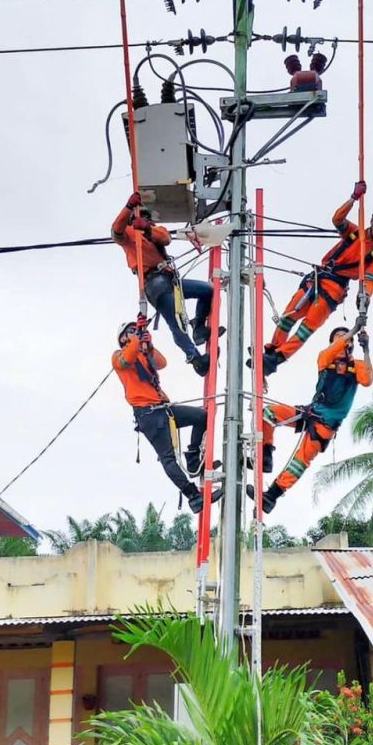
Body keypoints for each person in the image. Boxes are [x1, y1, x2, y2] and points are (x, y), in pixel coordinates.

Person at [262, 181, 373, 375]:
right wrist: (353, 198)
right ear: (372, 219)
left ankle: (277, 359)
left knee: (306, 328)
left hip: (333, 291)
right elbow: (337, 220)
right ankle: (272, 350)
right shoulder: (354, 233)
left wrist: (365, 296)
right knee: (288, 316)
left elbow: (369, 280)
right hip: (317, 279)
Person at [253, 326, 373, 514]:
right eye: (337, 337)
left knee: (300, 461)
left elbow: (367, 379)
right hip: (311, 412)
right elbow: (334, 349)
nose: (341, 339)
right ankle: (266, 452)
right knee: (268, 414)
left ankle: (272, 495)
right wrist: (353, 331)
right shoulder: (325, 358)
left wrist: (365, 349)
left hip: (325, 425)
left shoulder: (356, 367)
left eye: (344, 337)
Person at [112, 320, 220, 514]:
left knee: (203, 417)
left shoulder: (142, 354)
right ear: (122, 338)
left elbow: (161, 363)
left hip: (162, 409)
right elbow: (126, 359)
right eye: (130, 331)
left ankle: (193, 457)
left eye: (135, 330)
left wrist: (149, 346)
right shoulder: (118, 357)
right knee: (167, 458)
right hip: (148, 415)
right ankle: (193, 496)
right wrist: (137, 339)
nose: (135, 332)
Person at [112, 191, 212, 376]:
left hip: (170, 281)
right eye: (144, 216)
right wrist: (127, 208)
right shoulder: (128, 235)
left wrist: (147, 229)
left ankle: (198, 328)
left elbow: (165, 238)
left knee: (207, 290)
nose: (148, 219)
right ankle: (195, 359)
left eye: (148, 217)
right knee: (176, 323)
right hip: (155, 285)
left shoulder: (155, 232)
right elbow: (115, 230)